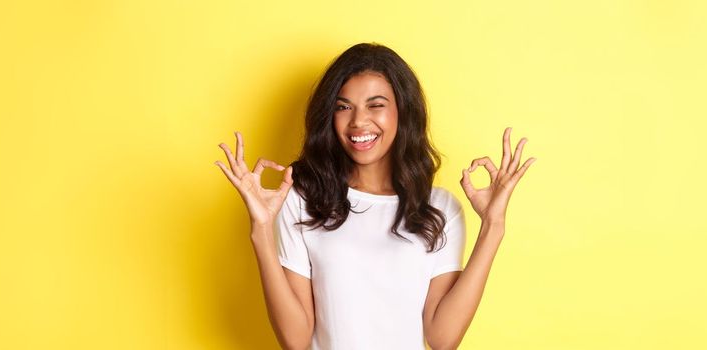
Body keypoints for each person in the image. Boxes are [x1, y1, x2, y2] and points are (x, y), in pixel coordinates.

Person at [215, 43, 535, 350]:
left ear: (402, 112)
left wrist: (493, 225)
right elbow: (295, 340)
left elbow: (442, 339)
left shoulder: (440, 209)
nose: (358, 121)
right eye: (343, 107)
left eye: (376, 105)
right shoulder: (302, 200)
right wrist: (261, 229)